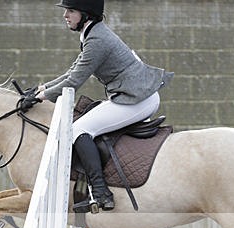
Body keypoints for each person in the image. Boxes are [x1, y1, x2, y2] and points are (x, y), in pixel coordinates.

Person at [23, 0, 173, 212]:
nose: (65, 15)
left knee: (78, 129)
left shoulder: (97, 40)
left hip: (137, 100)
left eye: (71, 11)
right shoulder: (93, 33)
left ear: (86, 14)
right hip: (134, 96)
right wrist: (41, 89)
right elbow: (71, 72)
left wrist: (42, 97)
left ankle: (101, 192)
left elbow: (74, 81)